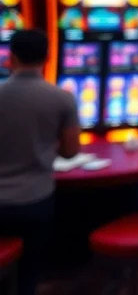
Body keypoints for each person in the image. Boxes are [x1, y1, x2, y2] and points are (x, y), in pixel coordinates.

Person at [0, 30, 80, 295]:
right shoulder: (62, 98)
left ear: (10, 58)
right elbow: (71, 152)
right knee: (29, 273)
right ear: (47, 58)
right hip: (35, 201)